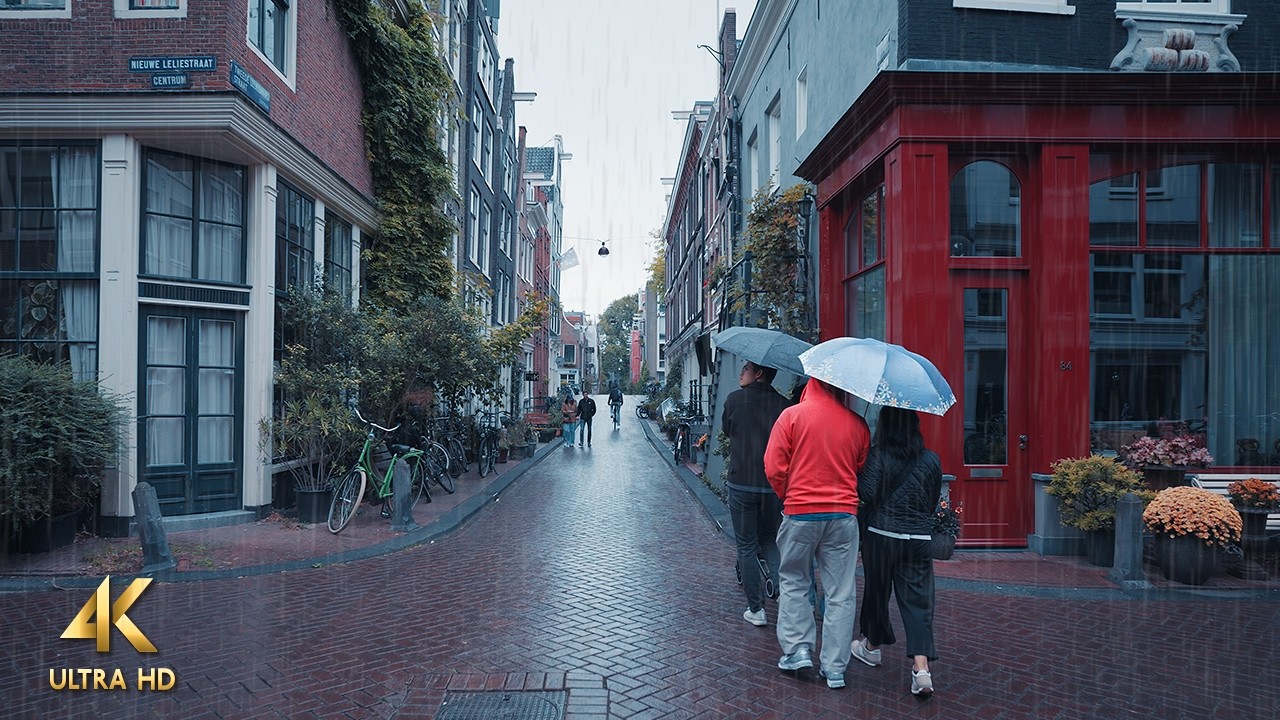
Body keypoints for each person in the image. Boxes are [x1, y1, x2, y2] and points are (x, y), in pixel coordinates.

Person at [764, 378, 870, 690]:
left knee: (795, 580)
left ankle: (798, 649)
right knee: (840, 591)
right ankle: (834, 668)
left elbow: (773, 467)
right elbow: (859, 466)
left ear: (812, 383)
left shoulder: (792, 417)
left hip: (800, 512)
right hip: (843, 514)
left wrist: (789, 495)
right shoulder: (858, 424)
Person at [850, 406, 943, 697]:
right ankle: (921, 669)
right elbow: (930, 503)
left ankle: (871, 647)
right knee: (918, 603)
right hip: (917, 538)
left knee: (877, 594)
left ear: (886, 426)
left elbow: (865, 495)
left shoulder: (879, 455)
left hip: (881, 535)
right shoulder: (931, 460)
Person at [721, 361, 792, 629]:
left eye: (746, 368)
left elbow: (728, 431)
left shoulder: (734, 400)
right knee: (770, 540)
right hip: (772, 487)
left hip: (742, 484)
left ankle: (756, 609)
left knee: (747, 546)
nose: (740, 372)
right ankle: (781, 592)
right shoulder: (784, 407)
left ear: (759, 373)